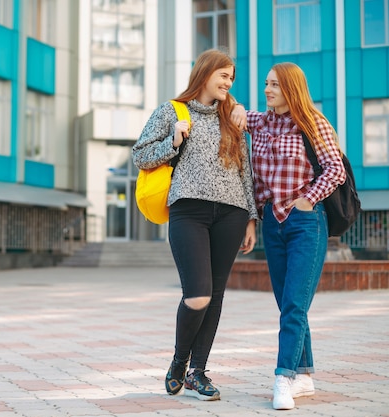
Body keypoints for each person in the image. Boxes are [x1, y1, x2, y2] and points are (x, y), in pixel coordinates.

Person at [132, 49, 258, 401]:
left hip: (231, 213)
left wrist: (251, 217)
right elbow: (139, 154)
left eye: (231, 78)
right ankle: (178, 362)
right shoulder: (172, 111)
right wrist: (173, 140)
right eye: (223, 75)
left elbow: (244, 168)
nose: (228, 83)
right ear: (205, 74)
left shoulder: (233, 116)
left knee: (215, 294)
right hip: (188, 211)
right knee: (198, 293)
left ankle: (197, 372)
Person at [241, 62, 346, 410]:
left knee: (294, 306)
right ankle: (304, 375)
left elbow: (335, 168)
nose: (268, 89)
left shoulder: (313, 122)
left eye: (275, 85)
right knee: (288, 304)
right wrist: (253, 220)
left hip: (306, 222)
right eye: (266, 83)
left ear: (291, 89)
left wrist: (309, 199)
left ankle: (283, 377)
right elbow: (230, 109)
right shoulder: (260, 122)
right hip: (272, 221)